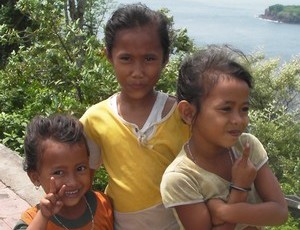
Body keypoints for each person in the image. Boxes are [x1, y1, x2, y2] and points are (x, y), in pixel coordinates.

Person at [80, 3, 190, 230]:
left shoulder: (182, 115)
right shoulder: (95, 119)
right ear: (109, 56)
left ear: (165, 58)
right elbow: (82, 180)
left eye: (149, 58)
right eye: (126, 58)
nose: (138, 71)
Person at [160, 45, 288, 230]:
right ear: (188, 112)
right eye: (226, 109)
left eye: (244, 109)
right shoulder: (181, 178)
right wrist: (239, 189)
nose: (238, 120)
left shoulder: (246, 146)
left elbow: (279, 212)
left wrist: (224, 212)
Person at [14, 114, 113, 230]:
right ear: (35, 177)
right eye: (59, 172)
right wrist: (43, 216)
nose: (72, 182)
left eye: (80, 168)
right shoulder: (31, 220)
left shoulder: (103, 205)